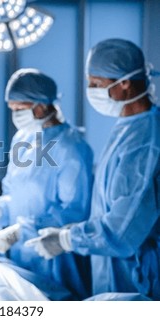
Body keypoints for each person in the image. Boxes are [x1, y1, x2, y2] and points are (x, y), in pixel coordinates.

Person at [26, 38, 160, 300]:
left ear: (124, 84)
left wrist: (67, 239)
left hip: (137, 274)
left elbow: (121, 230)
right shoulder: (128, 128)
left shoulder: (146, 142)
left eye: (96, 84)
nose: (89, 91)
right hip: (115, 265)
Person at [0, 68, 94, 300]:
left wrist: (21, 231)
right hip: (19, 256)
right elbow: (13, 192)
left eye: (20, 109)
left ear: (43, 105)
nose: (15, 115)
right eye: (12, 109)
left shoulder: (71, 148)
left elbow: (74, 211)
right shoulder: (22, 139)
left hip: (53, 256)